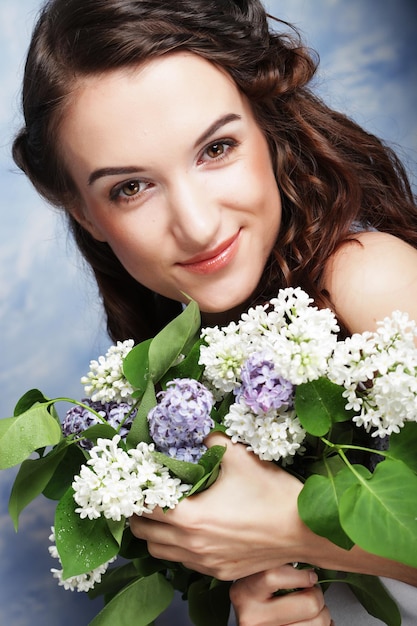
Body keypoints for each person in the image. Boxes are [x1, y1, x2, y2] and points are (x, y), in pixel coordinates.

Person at [12, 0, 417, 624]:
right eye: (130, 187)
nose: (198, 226)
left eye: (217, 148)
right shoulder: (181, 371)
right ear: (85, 212)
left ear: (266, 121)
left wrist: (295, 531)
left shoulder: (368, 279)